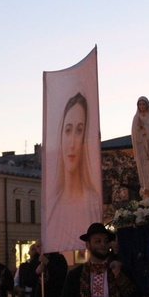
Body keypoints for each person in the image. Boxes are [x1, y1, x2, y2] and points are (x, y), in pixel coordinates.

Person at [45, 92, 103, 252]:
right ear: (61, 135)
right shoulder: (52, 206)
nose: (72, 143)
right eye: (68, 130)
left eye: (79, 131)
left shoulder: (93, 202)